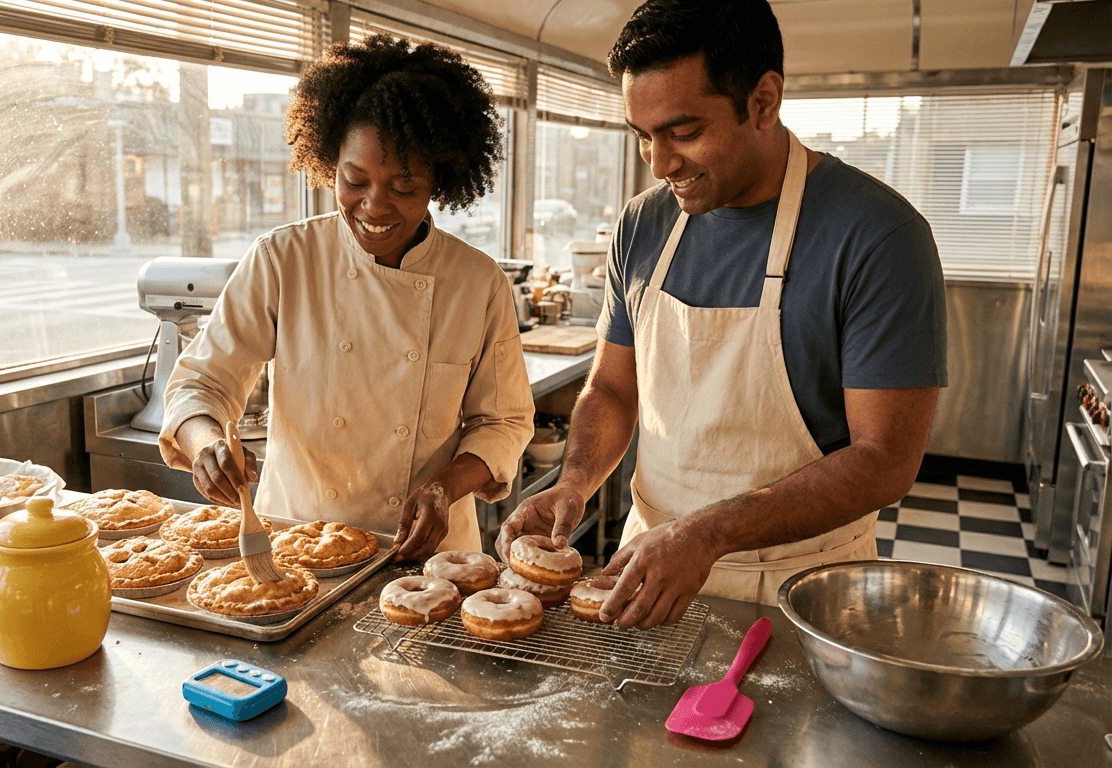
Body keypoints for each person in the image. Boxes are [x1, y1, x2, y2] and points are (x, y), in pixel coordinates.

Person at [497, 0, 946, 625]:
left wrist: (706, 535)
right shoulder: (643, 224)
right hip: (640, 575)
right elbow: (613, 388)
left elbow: (884, 461)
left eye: (683, 132)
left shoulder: (876, 235)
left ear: (764, 101)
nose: (659, 162)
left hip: (799, 591)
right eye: (643, 136)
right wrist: (574, 481)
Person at [159, 34, 534, 561]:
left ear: (439, 182)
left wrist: (445, 485)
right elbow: (202, 382)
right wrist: (206, 446)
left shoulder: (478, 282)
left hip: (426, 553)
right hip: (297, 539)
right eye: (353, 180)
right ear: (328, 162)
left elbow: (504, 422)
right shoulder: (283, 259)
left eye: (403, 188)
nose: (374, 207)